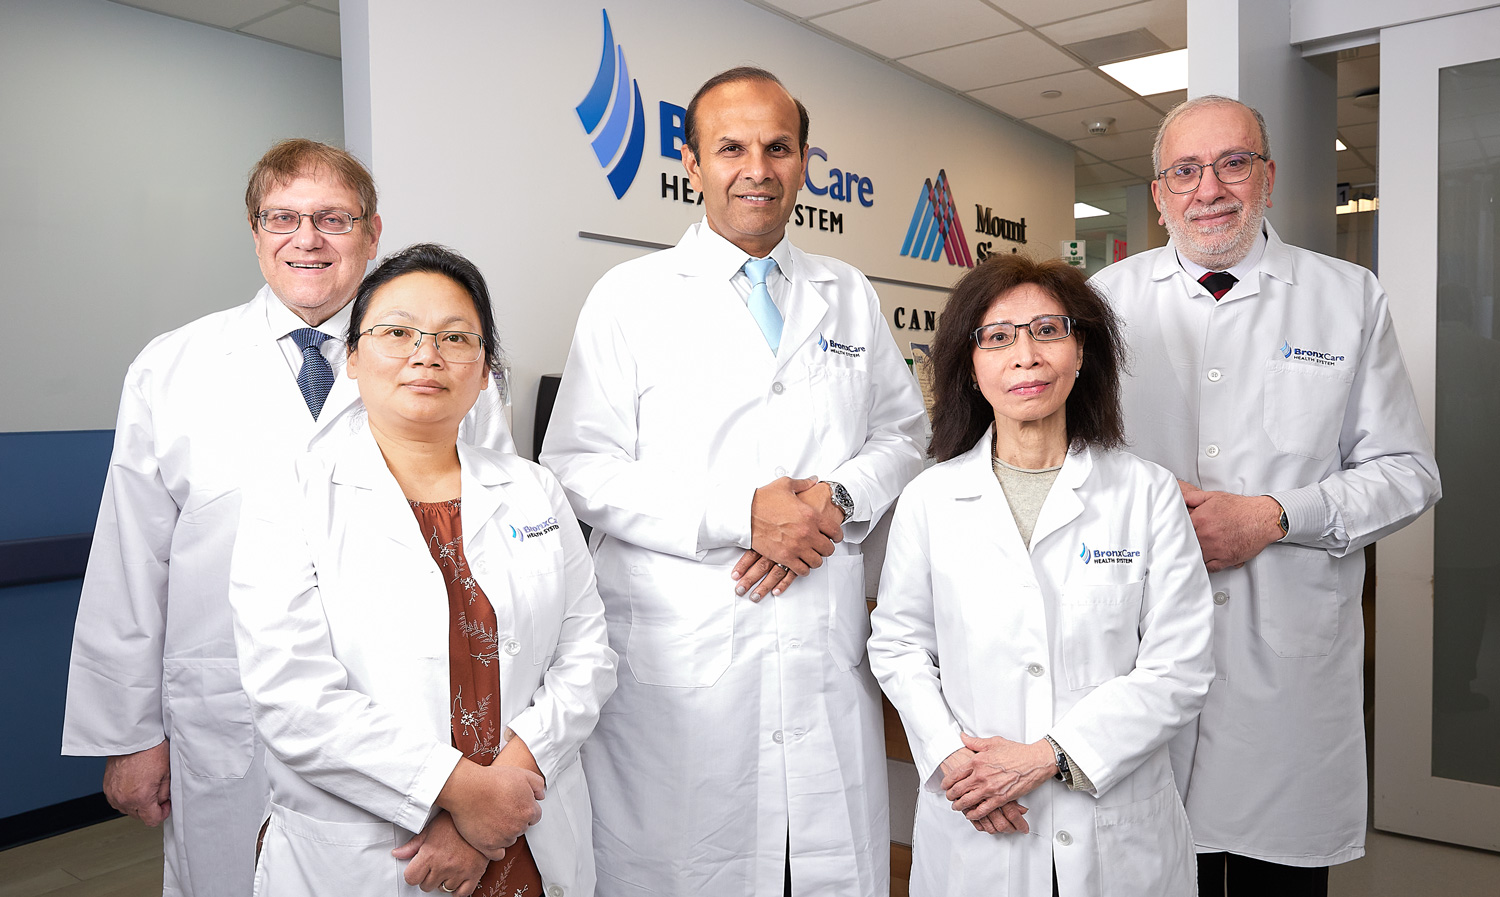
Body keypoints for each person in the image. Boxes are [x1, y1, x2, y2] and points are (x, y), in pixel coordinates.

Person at [61, 140, 515, 897]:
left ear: (373, 235)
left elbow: (494, 565)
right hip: (228, 715)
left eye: (334, 218)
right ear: (255, 231)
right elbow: (131, 562)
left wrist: (483, 768)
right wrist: (131, 736)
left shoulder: (452, 367)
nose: (307, 238)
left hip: (410, 723)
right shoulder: (172, 368)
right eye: (283, 217)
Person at [540, 67, 925, 896]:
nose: (758, 167)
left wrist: (835, 499)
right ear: (691, 162)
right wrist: (739, 516)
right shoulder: (629, 297)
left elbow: (904, 434)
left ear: (803, 162)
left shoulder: (847, 292)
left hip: (818, 653)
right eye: (732, 147)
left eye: (778, 147)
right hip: (682, 669)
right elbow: (573, 468)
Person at [1089, 95, 1441, 895]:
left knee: (1271, 879)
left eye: (1233, 164)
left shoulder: (1347, 298)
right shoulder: (1100, 302)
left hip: (1283, 671)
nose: (1209, 188)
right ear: (1159, 193)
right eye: (1185, 170)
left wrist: (1275, 517)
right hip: (1136, 658)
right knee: (1142, 868)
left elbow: (1409, 472)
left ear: (1268, 178)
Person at [228, 243, 616, 897]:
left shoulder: (534, 489)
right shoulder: (290, 495)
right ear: (352, 355)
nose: (426, 353)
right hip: (373, 852)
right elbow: (294, 700)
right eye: (397, 331)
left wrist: (490, 806)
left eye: (455, 336)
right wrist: (459, 792)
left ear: (486, 368)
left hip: (525, 835)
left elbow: (588, 657)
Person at [868, 254, 1214, 896]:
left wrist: (1043, 758)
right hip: (979, 819)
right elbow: (899, 645)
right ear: (970, 367)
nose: (1025, 356)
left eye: (1048, 331)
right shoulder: (930, 498)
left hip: (1112, 824)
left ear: (1081, 352)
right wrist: (954, 762)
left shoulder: (1146, 493)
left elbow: (1180, 667)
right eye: (998, 337)